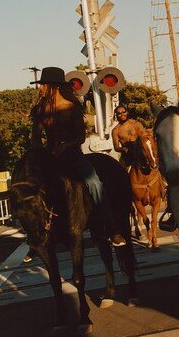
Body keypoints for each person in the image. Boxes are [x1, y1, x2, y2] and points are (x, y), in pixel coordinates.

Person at [29, 66, 126, 246]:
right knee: (30, 186)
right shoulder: (41, 110)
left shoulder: (72, 108)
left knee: (95, 183)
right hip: (50, 156)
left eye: (42, 85)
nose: (40, 88)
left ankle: (111, 227)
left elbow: (80, 137)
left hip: (73, 155)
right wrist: (38, 148)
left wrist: (64, 146)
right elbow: (35, 137)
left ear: (53, 86)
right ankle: (36, 234)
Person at [111, 104, 147, 168]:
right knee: (119, 171)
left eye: (123, 112)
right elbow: (116, 147)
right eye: (119, 113)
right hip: (127, 154)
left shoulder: (136, 124)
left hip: (139, 151)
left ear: (127, 112)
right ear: (116, 115)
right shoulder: (115, 130)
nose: (122, 114)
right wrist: (123, 149)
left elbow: (145, 138)